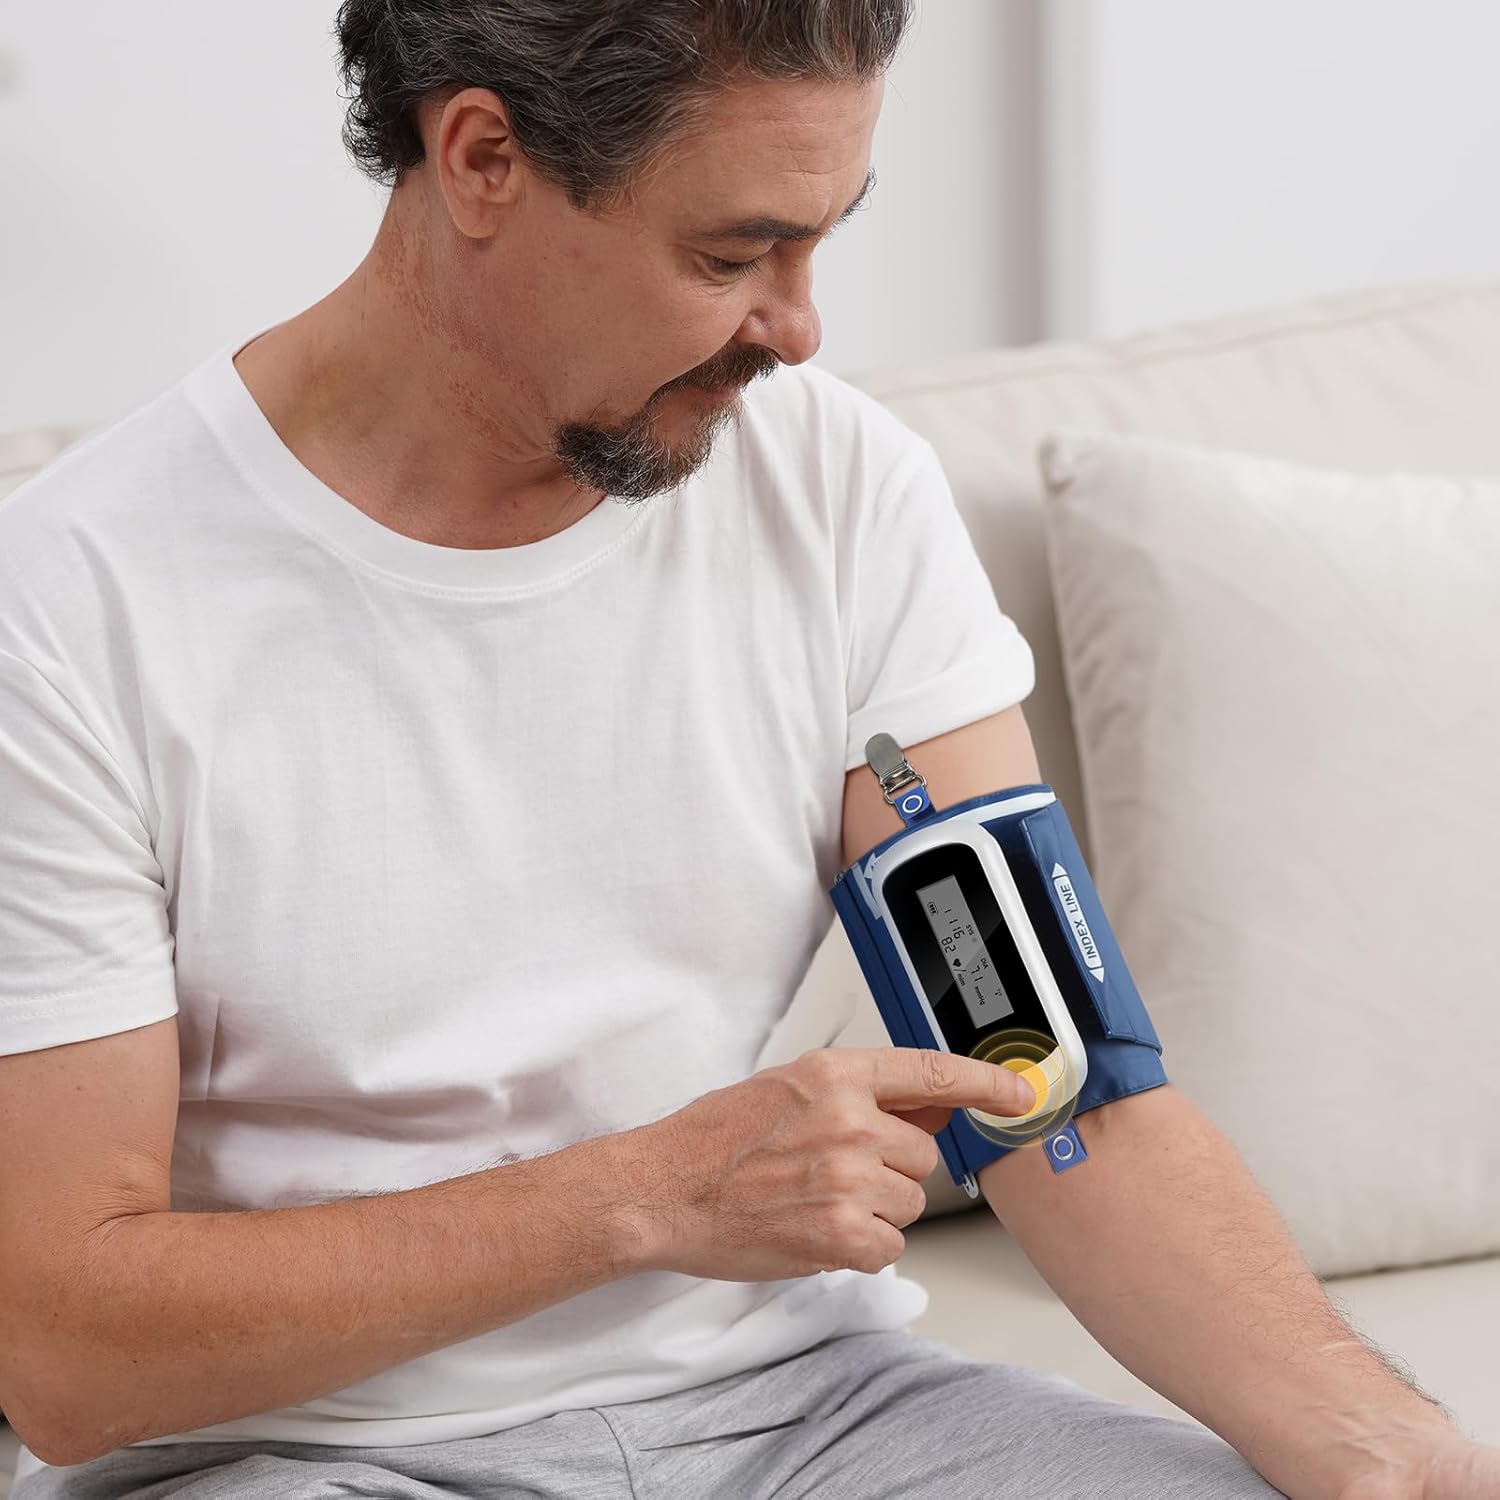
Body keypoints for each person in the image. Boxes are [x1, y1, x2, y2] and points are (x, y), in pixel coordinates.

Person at [0, 3, 1491, 1496]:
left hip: (814, 1420)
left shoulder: (839, 493)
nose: (799, 327)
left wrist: (1390, 1452)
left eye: (821, 239)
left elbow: (1045, 1092)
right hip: (302, 1456)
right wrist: (646, 1199)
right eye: (730, 257)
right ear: (481, 159)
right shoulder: (72, 604)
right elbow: (65, 1356)